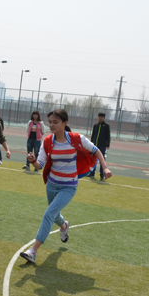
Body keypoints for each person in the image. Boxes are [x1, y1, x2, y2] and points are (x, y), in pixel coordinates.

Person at [20, 109, 112, 263]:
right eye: (50, 122)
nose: (51, 125)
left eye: (55, 122)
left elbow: (96, 151)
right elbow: (39, 165)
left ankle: (33, 251)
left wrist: (105, 167)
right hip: (51, 185)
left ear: (65, 123)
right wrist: (32, 161)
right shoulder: (48, 141)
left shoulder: (76, 138)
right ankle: (63, 226)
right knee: (54, 214)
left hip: (68, 187)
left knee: (49, 214)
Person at [89, 112, 111, 181]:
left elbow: (108, 136)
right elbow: (93, 135)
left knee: (102, 160)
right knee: (93, 159)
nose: (100, 118)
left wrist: (107, 144)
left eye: (102, 117)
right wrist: (91, 143)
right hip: (95, 145)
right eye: (99, 116)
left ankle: (102, 175)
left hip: (102, 146)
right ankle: (92, 173)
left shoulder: (106, 126)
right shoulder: (95, 125)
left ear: (104, 118)